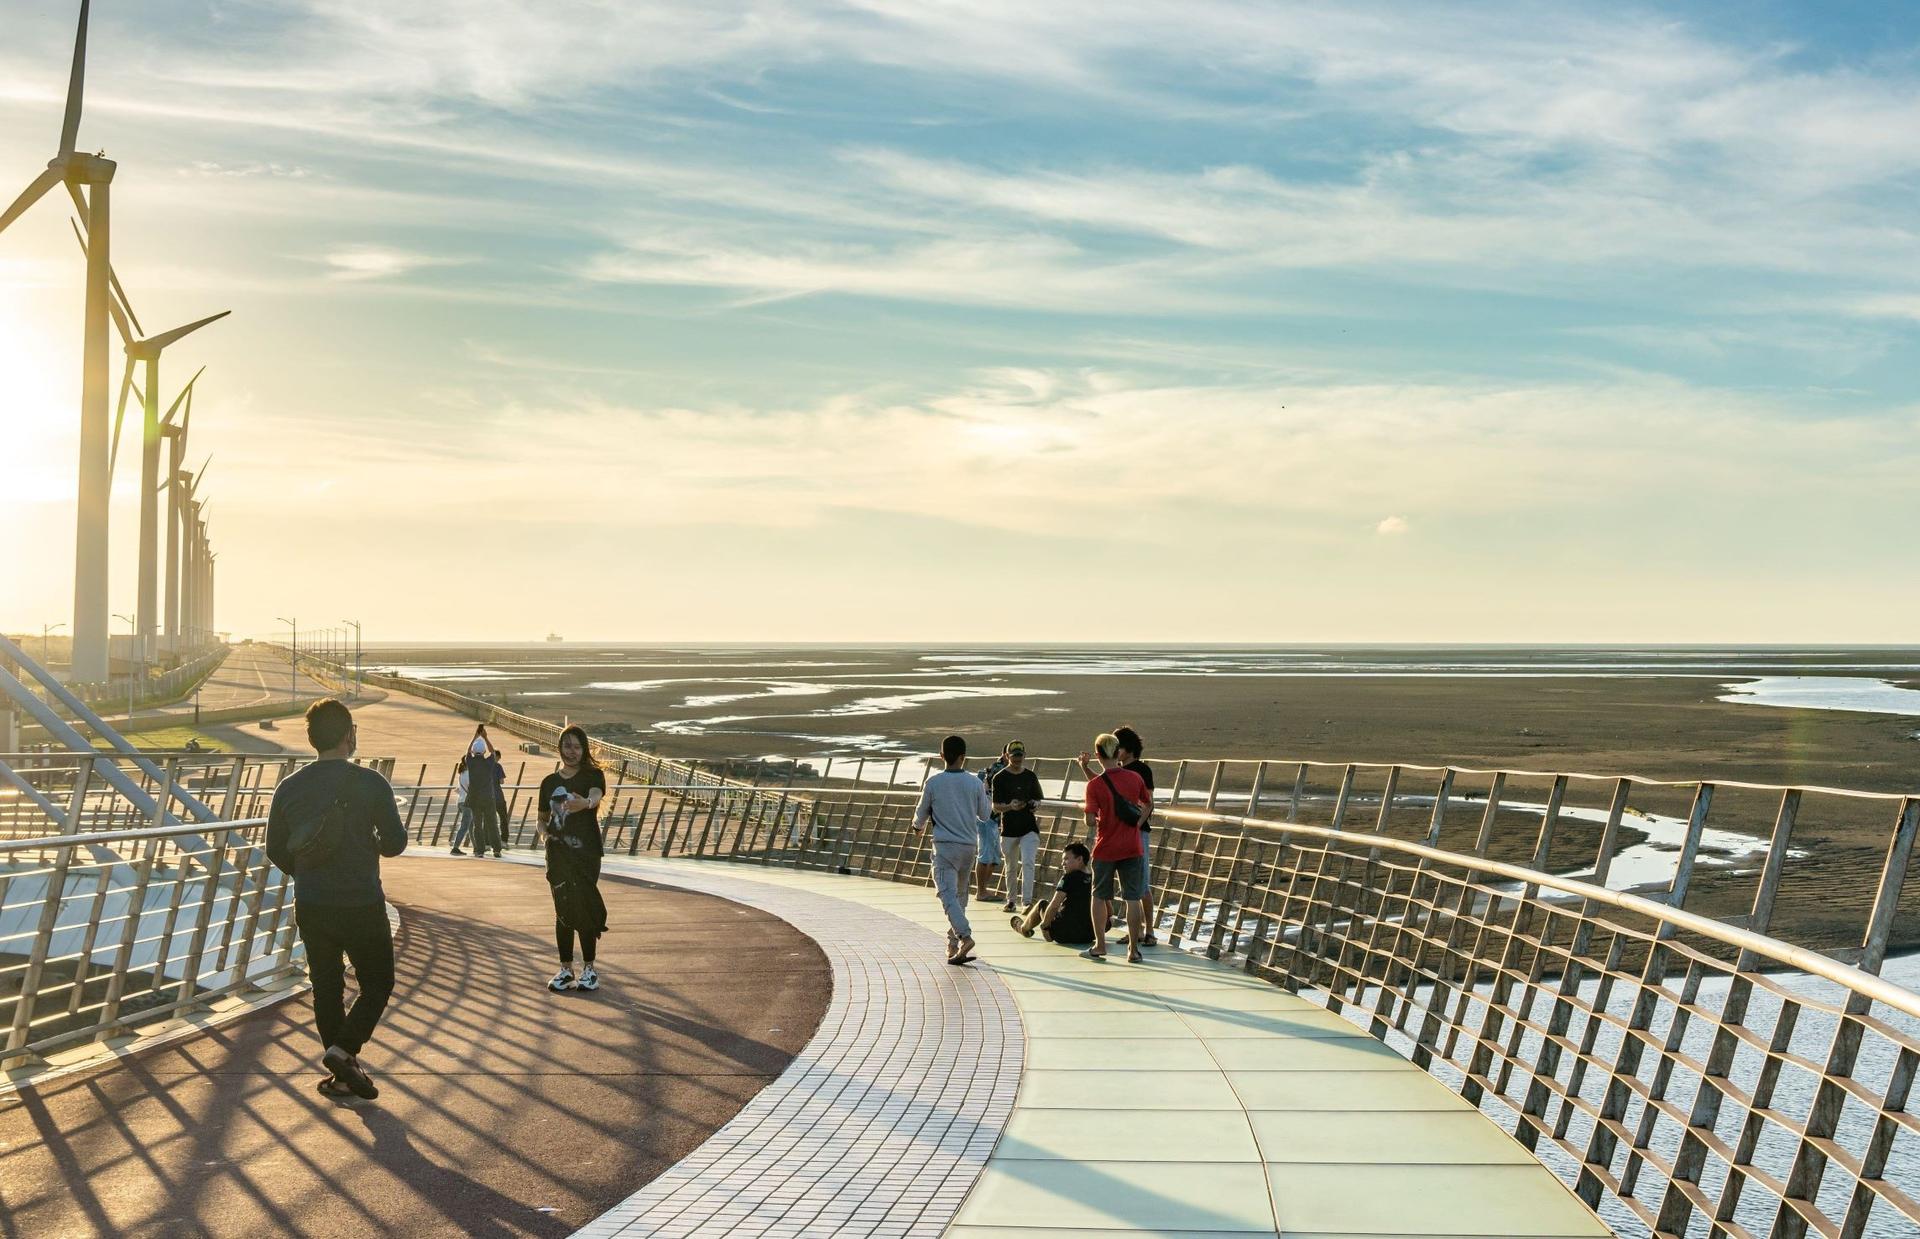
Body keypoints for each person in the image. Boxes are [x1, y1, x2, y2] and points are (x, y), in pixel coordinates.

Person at [265, 698, 406, 1101]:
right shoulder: (371, 782)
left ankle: (343, 1073)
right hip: (361, 901)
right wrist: (370, 845)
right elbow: (395, 843)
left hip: (312, 902)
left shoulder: (289, 787)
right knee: (377, 982)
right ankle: (344, 1052)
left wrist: (306, 873)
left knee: (326, 987)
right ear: (349, 735)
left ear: (312, 739)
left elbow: (275, 847)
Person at [538, 724, 609, 992]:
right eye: (567, 746)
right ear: (559, 748)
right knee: (563, 910)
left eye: (577, 746)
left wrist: (586, 804)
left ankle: (589, 969)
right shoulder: (549, 783)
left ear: (584, 749)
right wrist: (544, 835)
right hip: (557, 854)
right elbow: (541, 819)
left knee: (585, 906)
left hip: (586, 853)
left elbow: (595, 795)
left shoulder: (593, 775)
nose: (572, 751)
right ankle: (566, 969)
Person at [913, 734, 993, 965]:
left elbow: (921, 815)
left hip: (945, 847)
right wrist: (986, 790)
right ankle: (953, 944)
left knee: (947, 895)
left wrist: (917, 828)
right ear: (963, 757)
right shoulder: (974, 783)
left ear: (941, 756)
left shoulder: (934, 783)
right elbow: (985, 815)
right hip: (968, 846)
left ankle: (964, 936)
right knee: (959, 896)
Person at [1080, 732, 1149, 962]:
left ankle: (1100, 945)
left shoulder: (1095, 785)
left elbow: (1090, 820)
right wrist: (1137, 824)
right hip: (1132, 846)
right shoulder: (1134, 778)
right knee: (1133, 897)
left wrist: (1097, 817)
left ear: (1098, 755)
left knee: (1099, 896)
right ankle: (1133, 949)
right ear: (1118, 751)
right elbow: (1148, 804)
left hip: (1106, 847)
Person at [1112, 725, 1158, 946]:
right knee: (1128, 882)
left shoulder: (1141, 770)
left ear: (1128, 748)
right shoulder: (1116, 771)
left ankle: (1149, 931)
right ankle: (1136, 930)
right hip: (1121, 831)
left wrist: (1137, 824)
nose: (1116, 752)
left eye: (1118, 747)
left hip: (1138, 831)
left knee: (1142, 883)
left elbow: (1149, 803)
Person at [1008, 841, 1095, 947]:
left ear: (1080, 859)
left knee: (1042, 904)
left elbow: (1054, 904)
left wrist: (1045, 927)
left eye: (1066, 859)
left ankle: (1024, 928)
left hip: (1064, 935)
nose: (1063, 863)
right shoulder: (1096, 879)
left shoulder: (1069, 877)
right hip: (1088, 936)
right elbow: (1109, 911)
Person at [991, 740, 1045, 911]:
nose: (1017, 759)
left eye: (1020, 756)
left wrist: (1035, 803)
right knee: (1011, 866)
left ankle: (1027, 902)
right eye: (1014, 756)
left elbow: (1038, 798)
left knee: (1028, 862)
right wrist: (1010, 806)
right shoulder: (999, 778)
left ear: (1024, 756)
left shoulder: (1030, 776)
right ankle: (1011, 900)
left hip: (1029, 827)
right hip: (1009, 829)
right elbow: (995, 806)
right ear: (1007, 756)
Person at [973, 744, 1008, 901]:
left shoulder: (1000, 769)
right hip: (987, 817)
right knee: (986, 855)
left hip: (994, 818)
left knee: (993, 857)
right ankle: (981, 892)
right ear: (1005, 754)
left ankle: (983, 890)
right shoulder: (998, 770)